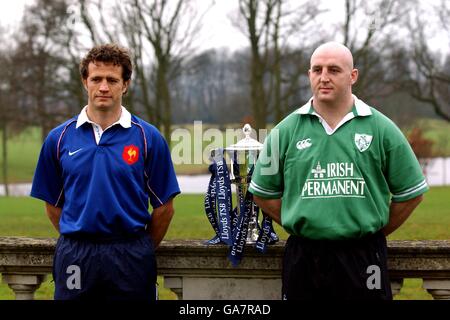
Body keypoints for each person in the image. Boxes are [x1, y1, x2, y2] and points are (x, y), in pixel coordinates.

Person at [248, 42, 428, 300]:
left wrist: (372, 230)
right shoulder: (285, 131)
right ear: (309, 74)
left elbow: (411, 194)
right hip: (304, 256)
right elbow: (263, 193)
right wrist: (301, 220)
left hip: (364, 255)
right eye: (316, 70)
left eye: (334, 70)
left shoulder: (381, 128)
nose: (324, 77)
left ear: (352, 75)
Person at [30, 44, 180, 300]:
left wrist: (139, 247)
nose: (103, 87)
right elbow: (52, 205)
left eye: (112, 80)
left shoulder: (148, 138)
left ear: (125, 84)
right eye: (96, 79)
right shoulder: (59, 139)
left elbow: (164, 208)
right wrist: (80, 232)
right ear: (84, 81)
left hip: (130, 255)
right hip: (76, 255)